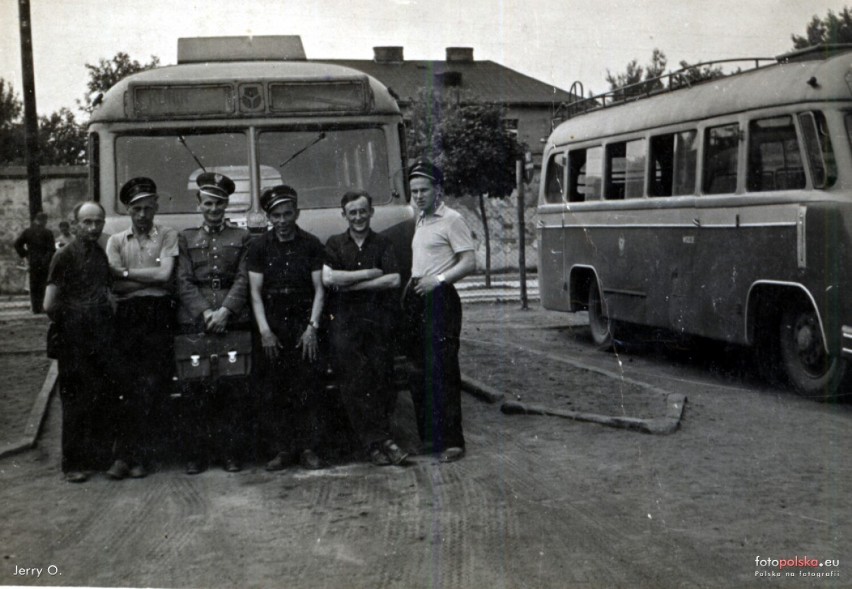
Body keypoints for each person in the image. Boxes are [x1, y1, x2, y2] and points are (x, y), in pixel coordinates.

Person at [322, 190, 408, 466]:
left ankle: (380, 439)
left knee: (382, 379)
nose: (358, 217)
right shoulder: (334, 244)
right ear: (344, 215)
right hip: (345, 324)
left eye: (363, 211)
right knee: (353, 382)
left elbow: (394, 280)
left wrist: (351, 285)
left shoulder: (383, 243)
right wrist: (371, 274)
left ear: (371, 212)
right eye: (352, 212)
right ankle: (378, 443)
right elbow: (329, 277)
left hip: (377, 322)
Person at [176, 172, 252, 474]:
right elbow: (182, 280)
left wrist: (226, 312)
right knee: (196, 389)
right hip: (197, 322)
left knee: (232, 390)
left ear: (227, 205)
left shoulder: (241, 237)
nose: (213, 209)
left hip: (232, 320)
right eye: (208, 203)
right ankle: (198, 455)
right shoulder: (186, 238)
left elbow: (244, 278)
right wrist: (206, 313)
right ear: (199, 205)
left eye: (219, 204)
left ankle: (230, 453)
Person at [248, 185, 327, 471]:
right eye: (276, 215)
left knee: (308, 385)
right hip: (272, 320)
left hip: (303, 319)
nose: (282, 221)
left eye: (287, 214)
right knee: (273, 387)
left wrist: (312, 328)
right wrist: (265, 331)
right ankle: (282, 449)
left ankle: (309, 448)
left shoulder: (311, 243)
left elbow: (319, 288)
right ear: (269, 217)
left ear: (297, 213)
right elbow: (255, 293)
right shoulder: (259, 247)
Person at [104, 177, 179, 479]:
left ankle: (142, 458)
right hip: (128, 315)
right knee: (128, 385)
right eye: (137, 209)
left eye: (148, 208)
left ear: (156, 206)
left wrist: (127, 274)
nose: (143, 215)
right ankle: (124, 457)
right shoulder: (115, 240)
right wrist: (141, 277)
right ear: (128, 210)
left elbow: (165, 276)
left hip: (159, 314)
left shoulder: (167, 235)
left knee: (154, 385)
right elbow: (113, 282)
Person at [402, 158, 475, 463]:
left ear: (438, 190)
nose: (418, 196)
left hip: (441, 300)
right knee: (418, 371)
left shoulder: (452, 219)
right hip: (417, 298)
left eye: (424, 190)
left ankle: (453, 441)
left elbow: (469, 262)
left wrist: (439, 280)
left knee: (443, 369)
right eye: (414, 191)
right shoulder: (419, 220)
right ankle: (430, 438)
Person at [43, 202, 115, 482]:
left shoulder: (99, 253)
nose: (93, 227)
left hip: (99, 337)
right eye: (86, 222)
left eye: (98, 222)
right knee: (74, 400)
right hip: (73, 339)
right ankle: (72, 464)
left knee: (98, 395)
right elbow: (49, 303)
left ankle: (95, 459)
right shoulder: (63, 256)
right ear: (74, 224)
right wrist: (75, 319)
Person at [14, 212, 56, 314]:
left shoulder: (28, 232)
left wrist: (26, 254)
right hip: (45, 263)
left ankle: (35, 308)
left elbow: (16, 244)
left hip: (33, 261)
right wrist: (46, 259)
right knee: (44, 285)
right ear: (44, 221)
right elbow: (52, 250)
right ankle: (42, 306)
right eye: (45, 221)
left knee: (34, 285)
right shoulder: (48, 233)